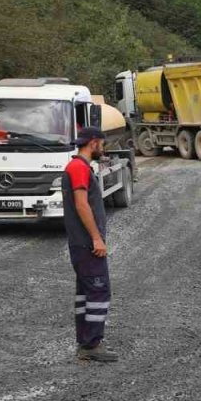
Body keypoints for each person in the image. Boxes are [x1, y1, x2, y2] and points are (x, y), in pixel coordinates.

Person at [62, 126, 118, 362]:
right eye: (102, 144)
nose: (102, 149)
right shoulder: (78, 167)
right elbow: (82, 204)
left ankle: (85, 341)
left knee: (85, 293)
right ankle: (91, 345)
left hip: (81, 243)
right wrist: (96, 237)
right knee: (98, 290)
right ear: (93, 143)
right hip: (86, 243)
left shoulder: (78, 167)